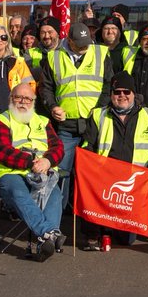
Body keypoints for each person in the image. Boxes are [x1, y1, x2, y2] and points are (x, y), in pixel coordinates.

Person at [79, 70, 148, 249]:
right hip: (104, 180)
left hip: (134, 183)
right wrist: (86, 165)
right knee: (87, 192)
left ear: (133, 94)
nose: (121, 95)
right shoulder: (98, 115)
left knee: (126, 239)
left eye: (126, 92)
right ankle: (95, 232)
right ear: (111, 94)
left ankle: (113, 228)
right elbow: (87, 146)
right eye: (117, 92)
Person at [0, 82, 66, 259]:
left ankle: (47, 242)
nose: (23, 102)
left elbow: (58, 147)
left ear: (33, 101)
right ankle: (49, 233)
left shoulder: (43, 121)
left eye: (27, 98)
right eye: (18, 97)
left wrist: (47, 160)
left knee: (55, 192)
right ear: (10, 99)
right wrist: (31, 163)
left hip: (41, 172)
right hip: (10, 173)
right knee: (18, 192)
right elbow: (1, 151)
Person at [39, 22, 111, 204]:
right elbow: (46, 87)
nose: (84, 48)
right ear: (69, 40)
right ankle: (58, 212)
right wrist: (52, 106)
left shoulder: (101, 53)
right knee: (61, 171)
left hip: (95, 124)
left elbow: (108, 85)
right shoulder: (54, 57)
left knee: (93, 172)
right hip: (67, 125)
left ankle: (90, 211)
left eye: (86, 43)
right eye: (79, 44)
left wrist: (100, 110)